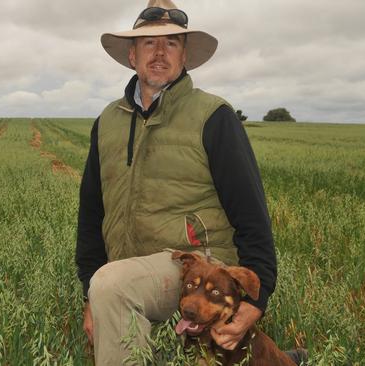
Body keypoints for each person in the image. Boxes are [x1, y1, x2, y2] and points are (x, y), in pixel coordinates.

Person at [74, 0, 303, 364]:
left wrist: (257, 300)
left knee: (114, 287)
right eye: (149, 43)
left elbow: (251, 213)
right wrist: (92, 295)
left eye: (172, 42)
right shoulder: (107, 122)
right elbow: (91, 214)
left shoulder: (213, 116)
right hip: (128, 269)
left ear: (185, 57)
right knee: (111, 288)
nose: (160, 51)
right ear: (132, 55)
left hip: (196, 266)